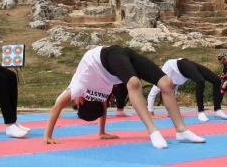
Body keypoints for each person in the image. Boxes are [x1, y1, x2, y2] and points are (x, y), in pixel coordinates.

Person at [44, 45, 206, 149]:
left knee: (158, 82)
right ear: (82, 102)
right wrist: (102, 132)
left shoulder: (78, 87)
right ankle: (153, 131)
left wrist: (48, 136)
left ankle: (181, 130)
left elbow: (56, 108)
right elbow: (103, 110)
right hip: (113, 66)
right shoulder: (97, 98)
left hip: (104, 57)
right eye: (74, 104)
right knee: (153, 83)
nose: (73, 101)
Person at [148, 58, 227, 122]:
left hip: (181, 64)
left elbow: (151, 95)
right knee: (208, 80)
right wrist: (171, 113)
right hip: (186, 69)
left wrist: (151, 113)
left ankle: (217, 110)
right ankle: (201, 112)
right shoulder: (173, 89)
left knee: (215, 80)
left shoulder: (160, 81)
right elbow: (172, 100)